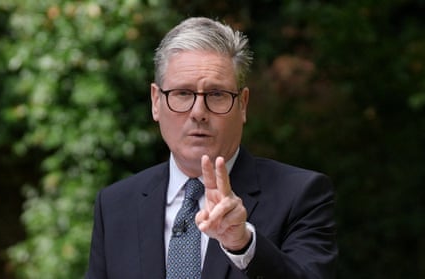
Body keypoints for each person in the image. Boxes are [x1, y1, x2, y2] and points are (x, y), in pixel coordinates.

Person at [86, 17, 338, 279]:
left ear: (243, 104)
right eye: (182, 93)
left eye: (216, 94)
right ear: (155, 102)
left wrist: (244, 244)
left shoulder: (300, 195)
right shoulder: (116, 205)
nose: (198, 112)